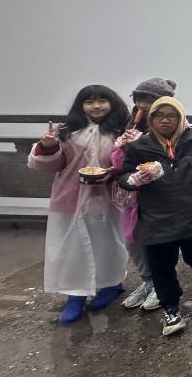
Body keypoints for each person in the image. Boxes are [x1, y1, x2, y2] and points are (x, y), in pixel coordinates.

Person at [118, 96, 192, 336]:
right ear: (151, 120)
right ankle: (170, 307)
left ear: (181, 119)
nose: (165, 120)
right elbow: (123, 177)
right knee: (161, 267)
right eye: (159, 116)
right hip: (156, 219)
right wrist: (134, 179)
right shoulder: (139, 146)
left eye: (172, 116)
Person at [27, 85, 131, 325]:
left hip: (107, 198)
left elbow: (130, 163)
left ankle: (111, 284)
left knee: (108, 243)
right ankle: (75, 295)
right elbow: (48, 165)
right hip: (70, 197)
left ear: (112, 103)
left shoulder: (121, 132)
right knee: (71, 246)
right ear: (80, 105)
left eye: (102, 100)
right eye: (90, 102)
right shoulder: (66, 132)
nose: (96, 106)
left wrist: (113, 172)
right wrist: (48, 146)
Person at [113, 78, 177, 312]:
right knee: (133, 241)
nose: (143, 105)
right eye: (140, 99)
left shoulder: (174, 123)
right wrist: (121, 147)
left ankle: (161, 285)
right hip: (132, 192)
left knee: (159, 242)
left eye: (149, 100)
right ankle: (148, 282)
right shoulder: (133, 122)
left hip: (160, 195)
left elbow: (174, 158)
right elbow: (123, 164)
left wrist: (143, 144)